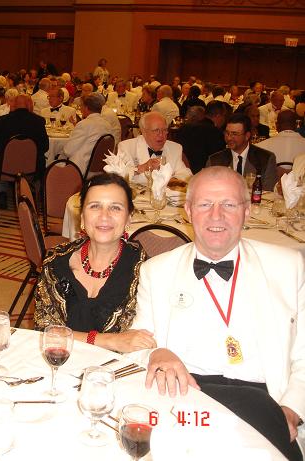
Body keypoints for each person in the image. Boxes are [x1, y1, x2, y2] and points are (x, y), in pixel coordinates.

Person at [129, 166, 304, 460]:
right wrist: (156, 353)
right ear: (188, 210)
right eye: (205, 204)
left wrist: (292, 408)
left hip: (266, 404)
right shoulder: (156, 271)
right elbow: (136, 348)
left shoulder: (287, 265)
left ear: (247, 211)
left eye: (229, 205)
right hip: (187, 401)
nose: (216, 215)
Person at [34, 173, 155, 352]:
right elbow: (46, 333)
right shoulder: (56, 261)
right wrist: (110, 341)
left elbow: (145, 342)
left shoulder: (146, 271)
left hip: (119, 367)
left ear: (129, 218)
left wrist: (74, 337)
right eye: (95, 206)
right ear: (82, 217)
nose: (104, 216)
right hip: (62, 361)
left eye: (115, 208)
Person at [0, 94, 49, 184]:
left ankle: (0, 189)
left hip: (4, 169)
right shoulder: (39, 121)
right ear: (29, 105)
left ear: (14, 105)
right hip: (33, 170)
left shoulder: (0, 121)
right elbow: (45, 146)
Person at [117, 111, 192, 185]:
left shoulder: (175, 148)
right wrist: (141, 168)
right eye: (156, 130)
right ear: (144, 132)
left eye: (164, 130)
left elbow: (186, 175)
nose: (161, 135)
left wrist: (170, 181)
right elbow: (119, 176)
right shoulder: (126, 147)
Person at [207, 113, 276, 191]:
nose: (229, 138)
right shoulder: (215, 161)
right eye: (227, 133)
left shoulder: (265, 159)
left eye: (234, 134)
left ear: (247, 136)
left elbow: (269, 192)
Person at [63, 93, 113, 174]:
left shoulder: (84, 124)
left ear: (86, 108)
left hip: (80, 168)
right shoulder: (108, 125)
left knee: (53, 161)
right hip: (100, 168)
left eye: (81, 106)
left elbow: (68, 151)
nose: (80, 108)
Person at [176, 102, 227, 174]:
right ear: (218, 116)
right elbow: (218, 160)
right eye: (224, 116)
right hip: (204, 175)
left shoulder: (184, 128)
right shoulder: (216, 133)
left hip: (181, 173)